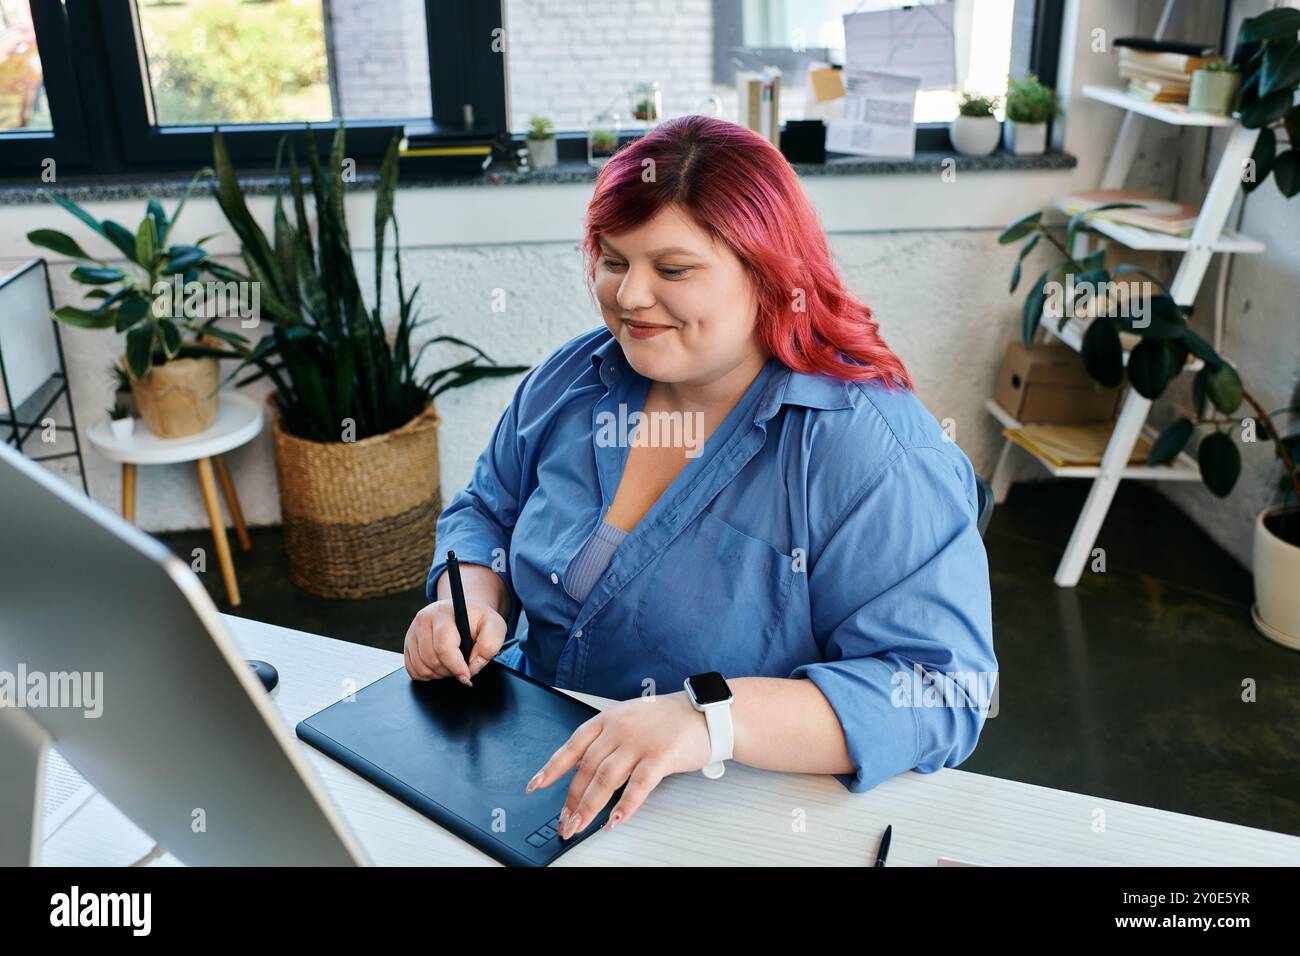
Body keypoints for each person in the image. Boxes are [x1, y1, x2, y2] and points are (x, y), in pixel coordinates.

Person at [405, 115, 995, 842]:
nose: (629, 297)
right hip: (540, 767)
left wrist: (708, 717)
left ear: (768, 271)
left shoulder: (871, 451)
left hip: (731, 810)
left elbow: (942, 692)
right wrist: (465, 601)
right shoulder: (575, 379)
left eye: (673, 270)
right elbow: (486, 511)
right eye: (613, 260)